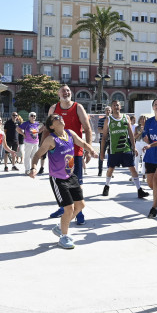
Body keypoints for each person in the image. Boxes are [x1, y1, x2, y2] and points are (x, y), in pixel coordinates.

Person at [28, 113, 98, 249]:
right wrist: (33, 168)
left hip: (71, 176)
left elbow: (82, 143)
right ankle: (64, 237)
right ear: (51, 126)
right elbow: (37, 155)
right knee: (69, 208)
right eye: (56, 118)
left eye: (60, 117)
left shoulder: (70, 133)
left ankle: (60, 227)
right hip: (58, 179)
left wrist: (91, 151)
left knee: (80, 206)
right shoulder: (50, 140)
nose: (60, 118)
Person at [44, 84, 93, 223]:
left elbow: (87, 128)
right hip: (57, 153)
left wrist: (87, 150)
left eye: (68, 91)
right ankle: (63, 207)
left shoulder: (78, 107)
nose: (66, 92)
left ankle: (79, 212)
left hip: (74, 152)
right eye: (63, 91)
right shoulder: (54, 108)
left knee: (76, 182)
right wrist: (43, 149)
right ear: (58, 94)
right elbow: (48, 129)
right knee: (59, 181)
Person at [101, 99, 148, 198]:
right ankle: (106, 186)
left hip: (125, 148)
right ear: (111, 107)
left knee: (133, 169)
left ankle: (139, 190)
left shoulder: (126, 117)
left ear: (120, 106)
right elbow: (104, 137)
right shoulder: (108, 120)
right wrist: (102, 152)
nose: (116, 107)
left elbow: (131, 133)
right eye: (114, 105)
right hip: (114, 149)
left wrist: (134, 147)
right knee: (110, 169)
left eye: (117, 105)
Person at [96, 106, 112, 177]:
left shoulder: (113, 120)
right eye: (106, 110)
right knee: (101, 155)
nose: (108, 111)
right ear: (104, 111)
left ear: (111, 111)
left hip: (112, 140)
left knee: (111, 156)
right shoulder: (101, 120)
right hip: (103, 140)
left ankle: (110, 172)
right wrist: (107, 131)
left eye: (109, 110)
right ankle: (100, 171)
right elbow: (99, 130)